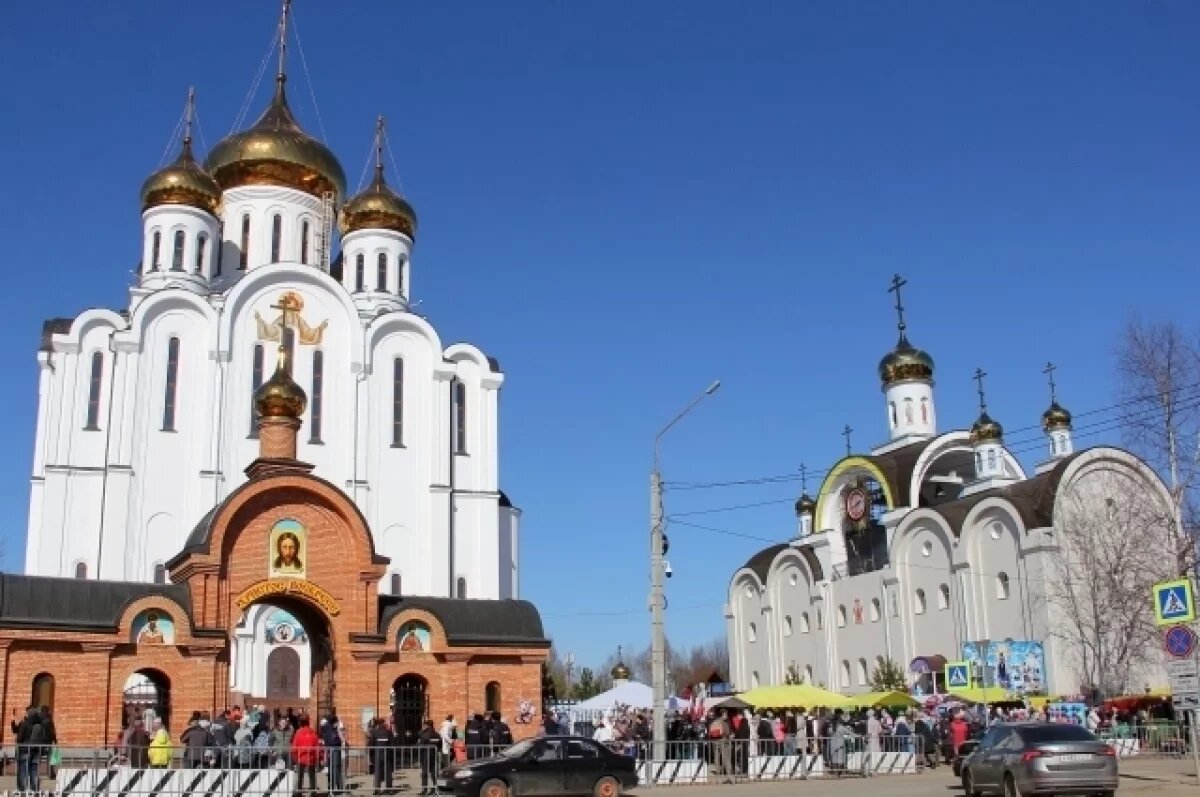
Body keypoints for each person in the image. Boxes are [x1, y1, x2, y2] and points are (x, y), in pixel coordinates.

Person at [291, 716, 320, 794]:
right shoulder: (313, 734)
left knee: (300, 777)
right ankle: (313, 793)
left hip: (301, 758)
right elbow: (318, 747)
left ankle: (299, 792)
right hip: (311, 758)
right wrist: (318, 759)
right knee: (312, 777)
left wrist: (295, 758)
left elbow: (294, 748)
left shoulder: (298, 734)